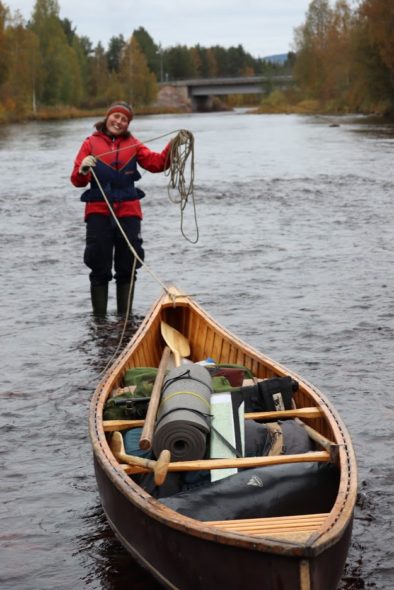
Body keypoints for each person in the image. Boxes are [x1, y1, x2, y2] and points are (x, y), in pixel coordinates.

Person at [71, 101, 172, 316]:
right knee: (99, 266)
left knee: (128, 267)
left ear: (128, 124)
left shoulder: (134, 145)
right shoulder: (89, 144)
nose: (119, 121)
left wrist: (172, 148)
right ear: (107, 117)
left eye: (124, 119)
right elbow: (77, 181)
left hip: (128, 213)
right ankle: (100, 322)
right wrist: (83, 169)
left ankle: (124, 320)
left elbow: (157, 164)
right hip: (98, 213)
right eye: (116, 116)